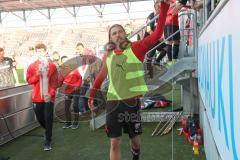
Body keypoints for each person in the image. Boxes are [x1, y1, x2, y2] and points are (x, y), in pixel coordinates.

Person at [88, 1, 171, 160]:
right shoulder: (107, 55)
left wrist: (165, 7)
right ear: (110, 38)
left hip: (132, 102)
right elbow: (101, 76)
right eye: (114, 33)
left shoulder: (136, 47)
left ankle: (136, 155)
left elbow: (157, 34)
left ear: (125, 34)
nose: (118, 34)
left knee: (135, 141)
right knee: (114, 142)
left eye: (120, 31)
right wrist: (91, 94)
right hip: (113, 102)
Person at [26, 43, 58, 151]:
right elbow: (29, 80)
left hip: (48, 97)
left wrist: (51, 93)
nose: (40, 53)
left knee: (48, 118)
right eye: (38, 51)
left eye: (41, 51)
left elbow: (55, 82)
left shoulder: (52, 66)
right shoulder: (32, 66)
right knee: (40, 118)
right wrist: (36, 74)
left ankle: (48, 140)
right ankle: (47, 130)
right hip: (37, 97)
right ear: (36, 52)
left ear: (45, 51)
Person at [61, 56, 82, 129]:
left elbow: (80, 78)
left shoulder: (74, 70)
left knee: (75, 105)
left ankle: (76, 122)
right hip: (67, 91)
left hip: (76, 90)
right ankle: (68, 123)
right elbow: (60, 82)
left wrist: (77, 85)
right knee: (66, 107)